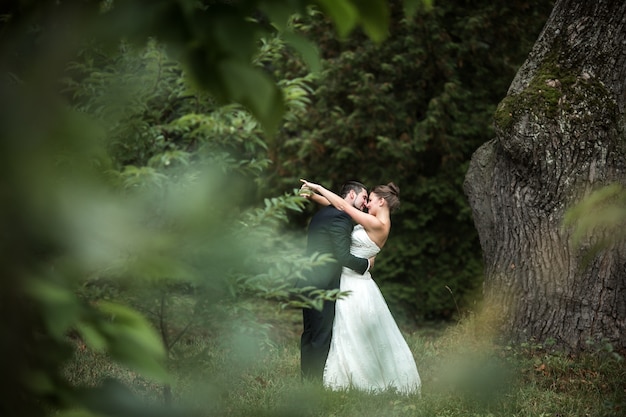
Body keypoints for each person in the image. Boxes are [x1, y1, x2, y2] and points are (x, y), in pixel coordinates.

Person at [300, 179, 421, 395]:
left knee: (352, 330)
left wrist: (319, 188)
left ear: (382, 202)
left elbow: (345, 207)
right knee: (343, 330)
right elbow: (342, 208)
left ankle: (361, 377)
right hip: (347, 279)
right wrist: (314, 197)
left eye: (371, 200)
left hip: (355, 283)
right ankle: (336, 373)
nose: (367, 205)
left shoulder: (378, 224)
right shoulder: (372, 219)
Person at [297, 180, 373, 382]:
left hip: (307, 279)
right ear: (350, 195)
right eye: (364, 197)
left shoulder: (323, 213)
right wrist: (366, 264)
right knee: (322, 336)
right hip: (323, 284)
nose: (365, 203)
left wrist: (314, 195)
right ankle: (313, 386)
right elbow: (343, 257)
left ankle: (306, 380)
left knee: (310, 333)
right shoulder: (341, 217)